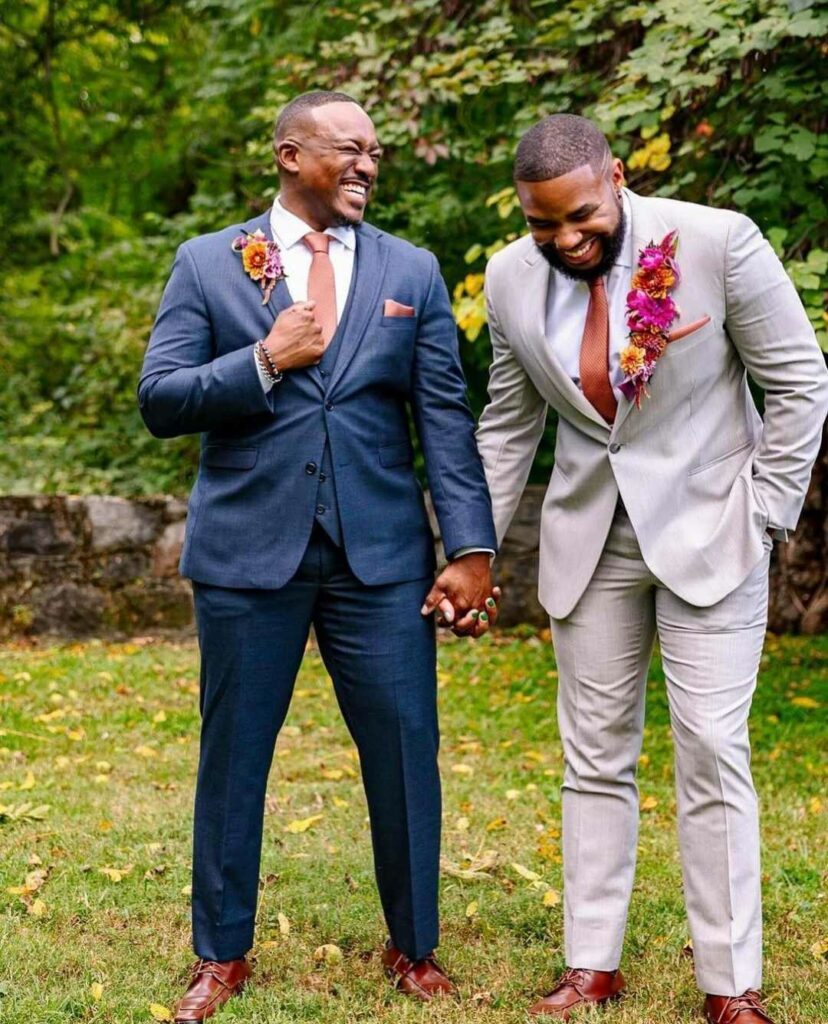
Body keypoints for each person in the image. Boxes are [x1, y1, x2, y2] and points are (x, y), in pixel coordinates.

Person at [138, 90, 498, 1022]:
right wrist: (261, 360)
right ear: (291, 155)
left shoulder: (410, 270)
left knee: (405, 751)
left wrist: (468, 547)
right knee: (234, 759)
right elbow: (162, 397)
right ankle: (220, 956)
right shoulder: (207, 264)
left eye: (376, 151)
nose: (369, 164)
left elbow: (443, 423)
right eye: (349, 149)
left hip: (378, 562)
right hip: (246, 558)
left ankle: (413, 947)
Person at [475, 113, 828, 1023]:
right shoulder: (512, 281)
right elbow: (510, 424)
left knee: (712, 748)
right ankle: (592, 964)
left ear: (618, 178)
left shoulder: (717, 243)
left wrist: (762, 514)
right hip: (588, 544)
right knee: (593, 757)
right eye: (541, 225)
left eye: (581, 217)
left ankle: (732, 985)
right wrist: (473, 546)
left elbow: (799, 384)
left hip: (716, 533)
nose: (564, 240)